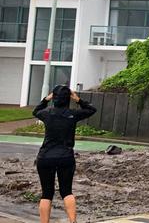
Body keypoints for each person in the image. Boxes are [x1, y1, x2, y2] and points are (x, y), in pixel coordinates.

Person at [32, 85, 96, 223]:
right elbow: (91, 110)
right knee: (66, 191)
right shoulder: (72, 114)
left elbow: (35, 111)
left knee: (46, 194)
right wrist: (78, 99)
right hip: (65, 157)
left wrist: (45, 99)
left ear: (53, 98)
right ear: (68, 98)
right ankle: (72, 221)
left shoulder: (47, 113)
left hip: (45, 157)